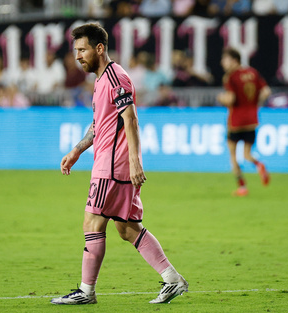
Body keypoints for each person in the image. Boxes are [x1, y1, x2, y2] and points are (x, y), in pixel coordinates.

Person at [51, 23, 188, 306]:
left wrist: (135, 161)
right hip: (112, 164)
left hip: (113, 167)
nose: (78, 56)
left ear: (99, 48)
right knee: (126, 228)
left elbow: (131, 119)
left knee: (92, 221)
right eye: (76, 50)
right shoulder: (102, 79)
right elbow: (100, 124)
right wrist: (77, 150)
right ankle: (172, 279)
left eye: (82, 49)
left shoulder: (116, 78)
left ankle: (86, 291)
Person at [217, 47, 271, 197]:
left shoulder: (231, 77)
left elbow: (231, 99)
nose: (223, 63)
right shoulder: (253, 72)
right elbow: (266, 91)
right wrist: (254, 105)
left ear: (234, 60)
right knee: (247, 154)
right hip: (252, 120)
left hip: (236, 122)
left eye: (225, 59)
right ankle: (259, 164)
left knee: (233, 156)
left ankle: (242, 187)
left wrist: (221, 98)